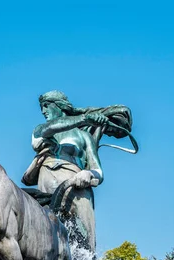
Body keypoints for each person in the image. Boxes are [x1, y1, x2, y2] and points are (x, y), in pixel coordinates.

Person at [22, 90, 133, 251]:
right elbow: (49, 128)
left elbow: (98, 171)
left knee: (86, 243)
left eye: (46, 106)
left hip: (78, 188)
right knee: (46, 239)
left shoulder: (83, 137)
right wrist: (84, 118)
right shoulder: (42, 130)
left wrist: (89, 173)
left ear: (59, 105)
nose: (43, 111)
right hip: (49, 183)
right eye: (42, 108)